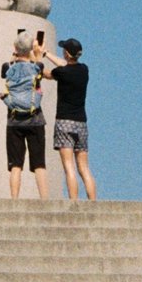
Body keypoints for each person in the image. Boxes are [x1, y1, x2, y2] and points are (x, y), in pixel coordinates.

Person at [39, 36, 96, 200]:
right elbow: (66, 66)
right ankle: (93, 201)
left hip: (64, 122)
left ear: (66, 53)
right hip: (81, 123)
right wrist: (47, 53)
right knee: (84, 168)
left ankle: (74, 201)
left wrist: (35, 59)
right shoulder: (84, 70)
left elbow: (46, 74)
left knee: (69, 167)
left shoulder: (62, 73)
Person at [1, 28, 49, 200]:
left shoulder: (8, 68)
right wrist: (36, 52)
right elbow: (38, 67)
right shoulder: (36, 67)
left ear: (15, 47)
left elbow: (6, 71)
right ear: (30, 49)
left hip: (14, 121)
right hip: (35, 119)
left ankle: (14, 199)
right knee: (39, 164)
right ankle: (44, 199)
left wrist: (16, 54)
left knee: (15, 165)